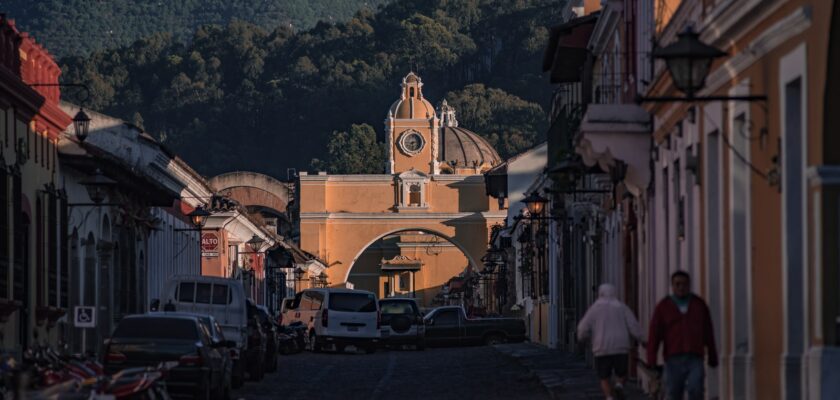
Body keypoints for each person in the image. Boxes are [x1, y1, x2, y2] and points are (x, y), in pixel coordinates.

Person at [647, 271, 718, 400]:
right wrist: (651, 359)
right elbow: (654, 334)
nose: (681, 287)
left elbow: (708, 331)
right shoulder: (663, 307)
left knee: (696, 389)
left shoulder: (699, 305)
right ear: (672, 286)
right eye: (677, 284)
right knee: (673, 392)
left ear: (689, 285)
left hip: (695, 356)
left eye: (684, 284)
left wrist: (713, 355)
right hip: (673, 357)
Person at [578, 283, 644, 400]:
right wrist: (642, 339)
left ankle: (609, 397)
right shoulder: (621, 307)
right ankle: (619, 385)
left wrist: (582, 338)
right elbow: (633, 325)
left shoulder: (595, 309)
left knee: (604, 376)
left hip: (601, 347)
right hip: (621, 345)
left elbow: (583, 327)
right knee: (622, 373)